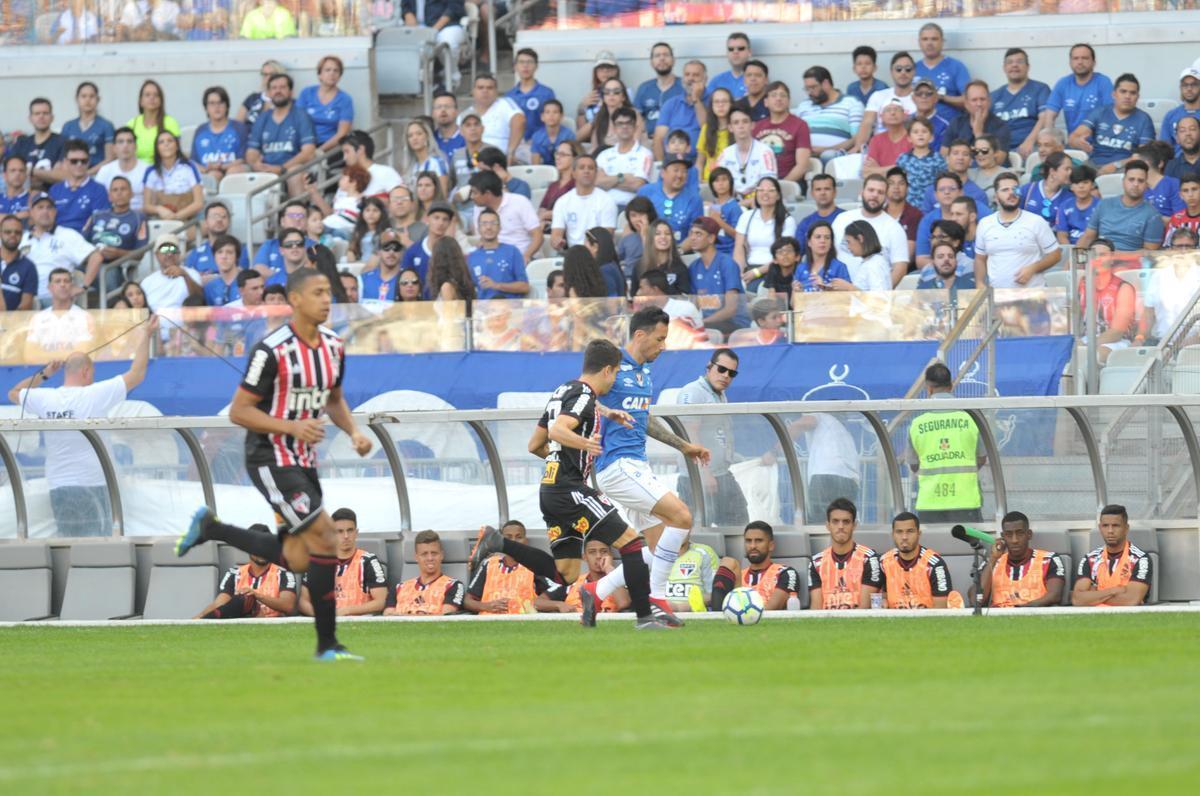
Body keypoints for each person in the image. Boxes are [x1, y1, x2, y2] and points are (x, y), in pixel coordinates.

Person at [177, 267, 375, 661]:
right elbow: (239, 411)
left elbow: (333, 398)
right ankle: (327, 644)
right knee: (325, 537)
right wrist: (291, 426)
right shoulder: (272, 350)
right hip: (269, 456)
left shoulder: (334, 345)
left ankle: (211, 527)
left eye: (328, 292)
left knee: (301, 557)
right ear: (296, 301)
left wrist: (353, 431)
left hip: (304, 459)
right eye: (317, 292)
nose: (326, 299)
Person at [576, 308, 711, 625]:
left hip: (637, 465)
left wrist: (683, 444)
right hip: (617, 465)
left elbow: (644, 420)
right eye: (660, 339)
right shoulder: (612, 368)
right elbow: (582, 396)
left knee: (657, 545)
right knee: (682, 517)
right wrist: (605, 412)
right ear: (640, 335)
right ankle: (657, 597)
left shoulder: (645, 375)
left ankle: (596, 591)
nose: (663, 346)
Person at [8, 315, 155, 536]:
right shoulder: (95, 394)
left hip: (60, 486)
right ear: (86, 371)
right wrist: (147, 335)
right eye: (92, 374)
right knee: (101, 548)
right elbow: (137, 374)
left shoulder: (46, 398)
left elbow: (14, 393)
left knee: (70, 547)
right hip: (96, 483)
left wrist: (45, 374)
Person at [675, 348, 752, 526]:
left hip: (720, 473)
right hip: (698, 476)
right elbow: (689, 434)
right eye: (722, 369)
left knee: (738, 524)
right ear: (709, 367)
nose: (726, 376)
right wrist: (704, 474)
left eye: (732, 373)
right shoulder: (693, 392)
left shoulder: (718, 393)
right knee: (698, 531)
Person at [908, 362, 985, 524]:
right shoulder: (971, 419)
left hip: (930, 503)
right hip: (966, 501)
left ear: (928, 388)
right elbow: (981, 458)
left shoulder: (917, 424)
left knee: (932, 549)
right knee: (968, 549)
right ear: (951, 386)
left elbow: (914, 465)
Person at [974, 173, 1059, 288]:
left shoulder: (1036, 221)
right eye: (1005, 190)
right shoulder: (985, 224)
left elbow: (1055, 255)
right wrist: (979, 282)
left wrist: (1033, 268)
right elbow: (980, 258)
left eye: (1015, 189)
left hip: (1033, 296)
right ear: (996, 197)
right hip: (998, 297)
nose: (1011, 193)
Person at [195, 524, 299, 619]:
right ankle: (200, 623)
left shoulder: (284, 572)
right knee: (243, 599)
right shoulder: (234, 573)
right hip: (241, 624)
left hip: (272, 626)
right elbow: (219, 604)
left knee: (247, 598)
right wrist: (195, 620)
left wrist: (257, 595)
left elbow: (288, 606)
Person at [297, 508, 387, 617]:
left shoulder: (368, 561)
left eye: (350, 530)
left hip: (360, 624)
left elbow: (382, 601)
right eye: (339, 531)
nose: (346, 536)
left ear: (356, 533)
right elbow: (302, 601)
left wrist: (347, 610)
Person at [22, 193, 104, 303]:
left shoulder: (67, 235)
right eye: (40, 207)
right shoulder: (22, 238)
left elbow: (96, 256)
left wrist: (83, 286)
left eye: (49, 207)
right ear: (31, 212)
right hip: (25, 301)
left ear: (55, 212)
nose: (45, 211)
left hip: (55, 301)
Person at [245, 73, 317, 197]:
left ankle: (297, 212)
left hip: (290, 168)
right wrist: (255, 164)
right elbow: (251, 151)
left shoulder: (301, 116)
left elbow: (309, 152)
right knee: (239, 172)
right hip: (265, 169)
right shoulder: (263, 117)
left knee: (294, 172)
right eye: (274, 88)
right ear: (269, 92)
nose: (278, 91)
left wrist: (282, 168)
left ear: (291, 91)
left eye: (282, 87)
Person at [831, 174, 909, 286]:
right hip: (838, 292)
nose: (875, 195)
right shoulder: (842, 219)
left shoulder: (894, 228)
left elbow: (900, 267)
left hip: (872, 299)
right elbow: (828, 253)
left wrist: (882, 291)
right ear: (862, 192)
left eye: (880, 192)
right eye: (871, 190)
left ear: (886, 197)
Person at [1069, 73, 1156, 173]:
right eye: (1123, 92)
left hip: (1125, 167)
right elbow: (1073, 137)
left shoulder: (1144, 119)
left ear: (1137, 97)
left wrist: (1116, 165)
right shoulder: (1100, 112)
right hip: (1094, 164)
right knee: (1073, 176)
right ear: (1114, 94)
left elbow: (1144, 157)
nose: (1128, 96)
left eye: (1132, 93)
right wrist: (1078, 142)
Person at [978, 511, 1066, 608]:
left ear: (1029, 534)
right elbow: (977, 599)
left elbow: (1055, 595)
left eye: (1020, 534)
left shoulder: (1049, 559)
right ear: (1003, 537)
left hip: (1036, 617)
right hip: (998, 619)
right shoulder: (991, 561)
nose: (1014, 540)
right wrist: (993, 559)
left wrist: (1022, 610)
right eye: (1009, 535)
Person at [807, 498, 882, 609]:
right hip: (827, 624)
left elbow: (865, 609)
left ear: (854, 525)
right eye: (835, 521)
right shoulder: (816, 563)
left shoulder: (869, 558)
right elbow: (816, 610)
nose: (841, 526)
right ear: (828, 525)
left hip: (858, 624)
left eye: (846, 522)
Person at [709, 521, 801, 612]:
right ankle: (717, 616)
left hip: (767, 622)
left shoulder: (785, 572)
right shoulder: (738, 576)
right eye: (748, 541)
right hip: (736, 620)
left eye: (759, 541)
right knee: (728, 562)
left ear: (771, 545)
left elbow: (773, 608)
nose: (752, 546)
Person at [1072, 504, 1152, 607]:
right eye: (1105, 526)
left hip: (1129, 618)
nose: (1110, 531)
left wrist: (1094, 594)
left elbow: (1131, 600)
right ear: (1100, 528)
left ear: (1126, 528)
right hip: (1094, 619)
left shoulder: (1140, 559)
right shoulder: (1090, 559)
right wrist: (1114, 591)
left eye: (1116, 526)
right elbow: (1078, 599)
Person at [1076, 161, 1164, 252]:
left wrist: (1113, 255)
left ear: (1146, 185)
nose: (1135, 184)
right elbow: (1087, 237)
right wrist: (1071, 263)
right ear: (1123, 181)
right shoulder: (1104, 204)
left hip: (1130, 263)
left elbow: (1149, 252)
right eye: (1131, 179)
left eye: (1140, 181)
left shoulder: (1153, 216)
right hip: (1100, 256)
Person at [880, 512, 952, 609]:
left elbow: (941, 609)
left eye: (910, 531)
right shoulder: (884, 562)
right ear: (893, 534)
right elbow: (881, 595)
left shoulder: (935, 564)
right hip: (894, 622)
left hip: (927, 622)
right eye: (899, 532)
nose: (904, 537)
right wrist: (883, 600)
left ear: (919, 533)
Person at [686, 218, 747, 333]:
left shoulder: (727, 264)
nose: (692, 238)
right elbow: (693, 306)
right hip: (707, 324)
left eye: (698, 234)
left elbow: (731, 309)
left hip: (733, 324)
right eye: (691, 234)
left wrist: (702, 323)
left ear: (711, 238)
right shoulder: (693, 267)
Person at [384, 530, 466, 615]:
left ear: (441, 555)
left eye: (434, 553)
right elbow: (387, 615)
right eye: (424, 554)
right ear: (416, 557)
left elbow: (446, 616)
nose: (430, 558)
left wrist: (402, 615)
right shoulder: (399, 588)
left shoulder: (452, 585)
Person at [793, 66, 864, 163]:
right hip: (805, 156)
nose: (809, 92)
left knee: (828, 155)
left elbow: (857, 137)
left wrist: (827, 149)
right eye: (807, 89)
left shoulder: (851, 102)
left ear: (826, 83)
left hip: (835, 156)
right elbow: (794, 135)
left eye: (813, 87)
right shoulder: (803, 105)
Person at [734, 177, 796, 285]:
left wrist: (757, 272)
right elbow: (739, 248)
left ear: (778, 195)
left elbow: (785, 255)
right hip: (749, 268)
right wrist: (738, 273)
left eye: (771, 190)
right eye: (761, 190)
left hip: (776, 269)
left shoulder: (787, 220)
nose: (765, 193)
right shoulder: (746, 216)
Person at [468, 170, 541, 261]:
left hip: (522, 256)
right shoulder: (478, 208)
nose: (471, 197)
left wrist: (526, 256)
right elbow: (482, 239)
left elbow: (538, 236)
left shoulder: (519, 202)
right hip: (495, 259)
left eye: (475, 193)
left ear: (488, 194)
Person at [992, 48, 1051, 159]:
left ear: (1028, 67)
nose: (1014, 65)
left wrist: (1030, 141)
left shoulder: (1040, 89)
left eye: (1019, 62)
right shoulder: (994, 96)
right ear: (1004, 68)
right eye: (1010, 62)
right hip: (1001, 149)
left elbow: (1045, 118)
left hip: (1030, 147)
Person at [550, 154, 618, 250]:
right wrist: (557, 241)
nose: (586, 171)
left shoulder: (607, 200)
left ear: (596, 173)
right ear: (573, 173)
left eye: (590, 168)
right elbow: (556, 234)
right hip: (573, 254)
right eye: (581, 168)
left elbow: (606, 236)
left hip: (599, 253)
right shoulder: (562, 201)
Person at [1045, 43, 1113, 136]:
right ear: (1070, 62)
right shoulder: (1063, 83)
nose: (1080, 62)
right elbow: (1049, 115)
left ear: (1094, 62)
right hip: (1073, 145)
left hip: (1098, 145)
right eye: (1075, 58)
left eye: (1085, 58)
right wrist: (1048, 136)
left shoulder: (1103, 82)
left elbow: (1111, 115)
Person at [752, 81, 811, 186]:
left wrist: (780, 186)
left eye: (783, 95)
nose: (778, 99)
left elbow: (802, 166)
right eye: (774, 95)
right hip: (759, 184)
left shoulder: (800, 125)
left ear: (788, 101)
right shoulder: (757, 127)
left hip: (788, 184)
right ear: (766, 102)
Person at [636, 153, 702, 244]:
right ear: (663, 173)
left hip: (681, 253)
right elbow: (634, 223)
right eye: (676, 170)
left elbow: (696, 233)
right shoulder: (646, 192)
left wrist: (679, 251)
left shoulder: (694, 199)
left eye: (684, 171)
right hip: (647, 248)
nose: (680, 175)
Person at [595, 107, 653, 207]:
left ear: (635, 127)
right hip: (604, 206)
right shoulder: (604, 155)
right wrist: (622, 177)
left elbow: (638, 185)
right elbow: (596, 182)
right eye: (620, 123)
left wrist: (608, 180)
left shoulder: (645, 154)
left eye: (628, 123)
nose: (624, 127)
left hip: (631, 208)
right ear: (614, 128)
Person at [49, 139, 111, 233]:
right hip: (56, 239)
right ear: (65, 162)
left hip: (84, 240)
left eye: (83, 161)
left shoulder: (99, 190)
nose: (79, 164)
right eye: (74, 161)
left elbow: (100, 223)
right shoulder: (55, 190)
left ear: (89, 162)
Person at [401, 0, 466, 88]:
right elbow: (405, 6)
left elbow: (454, 8)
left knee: (448, 43)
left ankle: (451, 79)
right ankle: (421, 83)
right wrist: (408, 14)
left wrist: (434, 30)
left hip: (447, 26)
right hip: (418, 27)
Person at [468, 208, 529, 300]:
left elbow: (524, 287)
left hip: (510, 308)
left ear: (500, 227)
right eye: (484, 224)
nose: (489, 227)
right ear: (478, 228)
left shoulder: (512, 252)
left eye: (493, 223)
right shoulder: (472, 257)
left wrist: (496, 285)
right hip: (483, 310)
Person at [297, 55, 354, 154]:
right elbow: (297, 122)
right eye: (327, 70)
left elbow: (342, 133)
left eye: (336, 71)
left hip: (331, 146)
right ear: (320, 74)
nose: (332, 73)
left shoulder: (345, 99)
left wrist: (320, 151)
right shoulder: (306, 93)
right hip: (305, 143)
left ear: (340, 75)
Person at [142, 131, 204, 222]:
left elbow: (198, 203)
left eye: (170, 141)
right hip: (160, 219)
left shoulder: (189, 167)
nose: (166, 144)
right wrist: (159, 209)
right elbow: (146, 206)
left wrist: (176, 217)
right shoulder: (151, 171)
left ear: (177, 146)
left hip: (187, 219)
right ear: (157, 148)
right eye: (161, 142)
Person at [461, 73, 523, 163]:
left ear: (496, 91)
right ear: (473, 91)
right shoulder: (465, 115)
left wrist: (511, 151)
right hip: (474, 160)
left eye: (490, 88)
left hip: (503, 159)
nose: (485, 91)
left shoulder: (505, 104)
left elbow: (520, 121)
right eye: (480, 88)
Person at [84, 176, 146, 265]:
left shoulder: (139, 218)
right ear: (109, 196)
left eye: (123, 189)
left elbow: (140, 253)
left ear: (131, 194)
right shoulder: (96, 216)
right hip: (90, 262)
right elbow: (81, 243)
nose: (119, 193)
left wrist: (119, 253)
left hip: (116, 265)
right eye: (115, 190)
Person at [858, 51, 917, 145]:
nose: (903, 72)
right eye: (898, 69)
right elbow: (867, 124)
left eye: (908, 69)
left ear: (914, 72)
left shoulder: (920, 98)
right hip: (879, 150)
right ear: (891, 72)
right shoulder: (878, 96)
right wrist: (860, 148)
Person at [716, 107, 777, 197]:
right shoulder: (725, 154)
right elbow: (718, 184)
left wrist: (747, 202)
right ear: (730, 128)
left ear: (752, 125)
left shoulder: (765, 152)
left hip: (759, 203)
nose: (741, 126)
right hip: (731, 202)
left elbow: (769, 185)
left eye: (745, 121)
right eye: (736, 123)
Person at [506, 47, 556, 156]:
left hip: (541, 145)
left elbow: (553, 122)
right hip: (515, 145)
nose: (525, 66)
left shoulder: (546, 93)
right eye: (521, 62)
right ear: (515, 66)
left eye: (529, 62)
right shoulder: (509, 96)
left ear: (536, 66)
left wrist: (537, 140)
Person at [942, 81, 1011, 160]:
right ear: (966, 104)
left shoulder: (1000, 126)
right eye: (974, 100)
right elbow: (944, 154)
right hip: (962, 170)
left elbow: (998, 160)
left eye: (982, 99)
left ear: (989, 101)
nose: (979, 104)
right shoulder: (957, 123)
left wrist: (978, 134)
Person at [654, 60, 708, 161]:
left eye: (695, 75)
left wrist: (696, 99)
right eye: (687, 75)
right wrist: (662, 166)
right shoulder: (671, 104)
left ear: (705, 79)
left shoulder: (714, 101)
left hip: (699, 162)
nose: (690, 78)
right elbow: (659, 138)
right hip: (672, 161)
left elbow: (706, 128)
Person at [192, 87, 248, 182]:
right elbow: (194, 161)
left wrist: (221, 166)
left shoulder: (239, 128)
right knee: (211, 176)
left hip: (233, 170)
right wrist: (206, 169)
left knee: (232, 173)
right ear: (206, 108)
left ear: (227, 106)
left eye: (220, 103)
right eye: (212, 103)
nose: (217, 107)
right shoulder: (200, 131)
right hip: (209, 173)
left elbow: (244, 158)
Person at [915, 23, 970, 119]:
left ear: (942, 42)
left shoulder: (956, 66)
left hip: (950, 127)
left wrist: (942, 97)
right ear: (919, 42)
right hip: (920, 128)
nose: (929, 43)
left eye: (934, 39)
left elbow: (969, 100)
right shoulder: (912, 69)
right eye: (925, 39)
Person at [919, 139, 989, 214]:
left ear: (971, 161)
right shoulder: (931, 191)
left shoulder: (978, 194)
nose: (960, 158)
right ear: (947, 159)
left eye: (965, 154)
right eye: (955, 153)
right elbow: (926, 220)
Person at [10, 98, 65, 188]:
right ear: (30, 118)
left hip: (52, 196)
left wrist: (31, 171)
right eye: (37, 113)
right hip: (24, 196)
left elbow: (62, 176)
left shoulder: (62, 142)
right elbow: (11, 173)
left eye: (45, 113)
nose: (41, 116)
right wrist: (46, 175)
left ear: (52, 117)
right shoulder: (21, 143)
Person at [61, 82, 115, 171]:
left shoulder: (106, 126)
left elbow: (109, 159)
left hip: (97, 175)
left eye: (91, 96)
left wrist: (88, 173)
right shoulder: (68, 126)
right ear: (77, 99)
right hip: (72, 175)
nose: (87, 100)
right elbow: (63, 157)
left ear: (98, 99)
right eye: (83, 96)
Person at [141, 233, 203, 309]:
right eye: (165, 249)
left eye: (173, 249)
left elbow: (200, 299)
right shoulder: (147, 282)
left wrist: (185, 275)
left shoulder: (192, 274)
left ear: (179, 253)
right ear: (157, 255)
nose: (170, 254)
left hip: (185, 320)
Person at [126, 80, 180, 165]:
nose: (152, 98)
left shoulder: (170, 123)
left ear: (161, 101)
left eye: (156, 95)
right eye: (147, 95)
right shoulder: (132, 124)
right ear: (141, 101)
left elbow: (177, 153)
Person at [401, 201, 456, 284]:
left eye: (445, 219)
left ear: (449, 223)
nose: (441, 223)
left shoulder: (453, 252)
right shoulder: (413, 251)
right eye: (436, 218)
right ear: (427, 219)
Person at [574, 51, 622, 144]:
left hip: (615, 137)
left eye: (608, 68)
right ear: (595, 72)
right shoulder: (593, 95)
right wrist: (582, 107)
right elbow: (581, 132)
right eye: (601, 69)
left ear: (616, 71)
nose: (605, 72)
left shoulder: (623, 92)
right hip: (592, 139)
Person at [896, 118, 945, 209]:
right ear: (909, 138)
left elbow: (942, 184)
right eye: (915, 132)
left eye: (924, 131)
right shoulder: (903, 159)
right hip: (907, 206)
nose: (920, 134)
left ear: (931, 138)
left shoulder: (938, 159)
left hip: (930, 206)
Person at [96, 127, 147, 211]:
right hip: (112, 217)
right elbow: (98, 199)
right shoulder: (105, 170)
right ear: (114, 147)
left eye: (129, 141)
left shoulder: (147, 170)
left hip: (142, 217)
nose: (125, 145)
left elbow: (153, 202)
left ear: (136, 146)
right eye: (120, 142)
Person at [341, 129, 403, 197]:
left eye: (347, 151)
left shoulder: (386, 173)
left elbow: (402, 200)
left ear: (360, 150)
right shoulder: (346, 178)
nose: (344, 158)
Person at [634, 42, 681, 130]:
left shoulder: (684, 87)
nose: (662, 58)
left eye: (666, 55)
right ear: (651, 62)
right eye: (657, 55)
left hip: (678, 141)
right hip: (649, 140)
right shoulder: (644, 88)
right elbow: (637, 118)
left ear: (674, 60)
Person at [1019, 151, 1074, 226]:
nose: (1070, 172)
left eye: (1071, 169)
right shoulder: (1027, 190)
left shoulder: (1069, 197)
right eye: (1067, 169)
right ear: (1052, 171)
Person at [1134, 142, 1184, 221]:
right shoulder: (1135, 186)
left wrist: (1152, 219)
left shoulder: (1174, 185)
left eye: (1137, 163)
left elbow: (1182, 220)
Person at [862, 99, 911, 176]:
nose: (892, 113)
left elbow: (911, 171)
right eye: (888, 110)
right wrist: (897, 168)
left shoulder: (912, 139)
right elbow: (866, 172)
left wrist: (878, 169)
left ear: (905, 115)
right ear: (881, 117)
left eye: (897, 109)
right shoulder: (876, 140)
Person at [839, 220, 892, 291]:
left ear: (860, 238)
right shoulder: (871, 262)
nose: (848, 247)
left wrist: (850, 288)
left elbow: (880, 298)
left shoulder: (874, 264)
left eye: (849, 242)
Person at [795, 174, 842, 253]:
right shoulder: (805, 223)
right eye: (818, 189)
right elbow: (798, 253)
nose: (822, 193)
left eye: (827, 189)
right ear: (812, 193)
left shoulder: (846, 217)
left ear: (835, 192)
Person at [1055, 164, 1100, 245]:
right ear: (1071, 187)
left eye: (1085, 182)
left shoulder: (1101, 206)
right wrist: (1071, 254)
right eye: (1076, 183)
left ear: (1092, 185)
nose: (1081, 186)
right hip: (1070, 250)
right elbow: (1062, 235)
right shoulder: (1064, 206)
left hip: (1094, 249)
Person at [0, 215, 37, 311]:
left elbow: (26, 305)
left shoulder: (29, 267)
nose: (13, 235)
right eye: (8, 232)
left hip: (12, 323)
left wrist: (7, 322)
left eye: (17, 232)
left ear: (22, 235)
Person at [695, 88, 734, 180]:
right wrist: (699, 182)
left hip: (731, 181)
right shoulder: (706, 129)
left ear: (731, 104)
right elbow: (699, 163)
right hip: (709, 182)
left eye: (724, 101)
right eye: (716, 102)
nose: (720, 105)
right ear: (711, 106)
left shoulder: (737, 128)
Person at [705, 166, 742, 256]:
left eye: (724, 179)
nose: (721, 184)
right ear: (712, 185)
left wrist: (719, 221)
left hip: (729, 252)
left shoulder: (734, 207)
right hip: (711, 251)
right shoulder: (710, 206)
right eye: (716, 180)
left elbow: (737, 235)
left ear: (731, 183)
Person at [237, 60, 285, 127]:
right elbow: (237, 125)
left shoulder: (284, 101)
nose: (268, 78)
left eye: (272, 74)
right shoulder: (252, 98)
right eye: (265, 74)